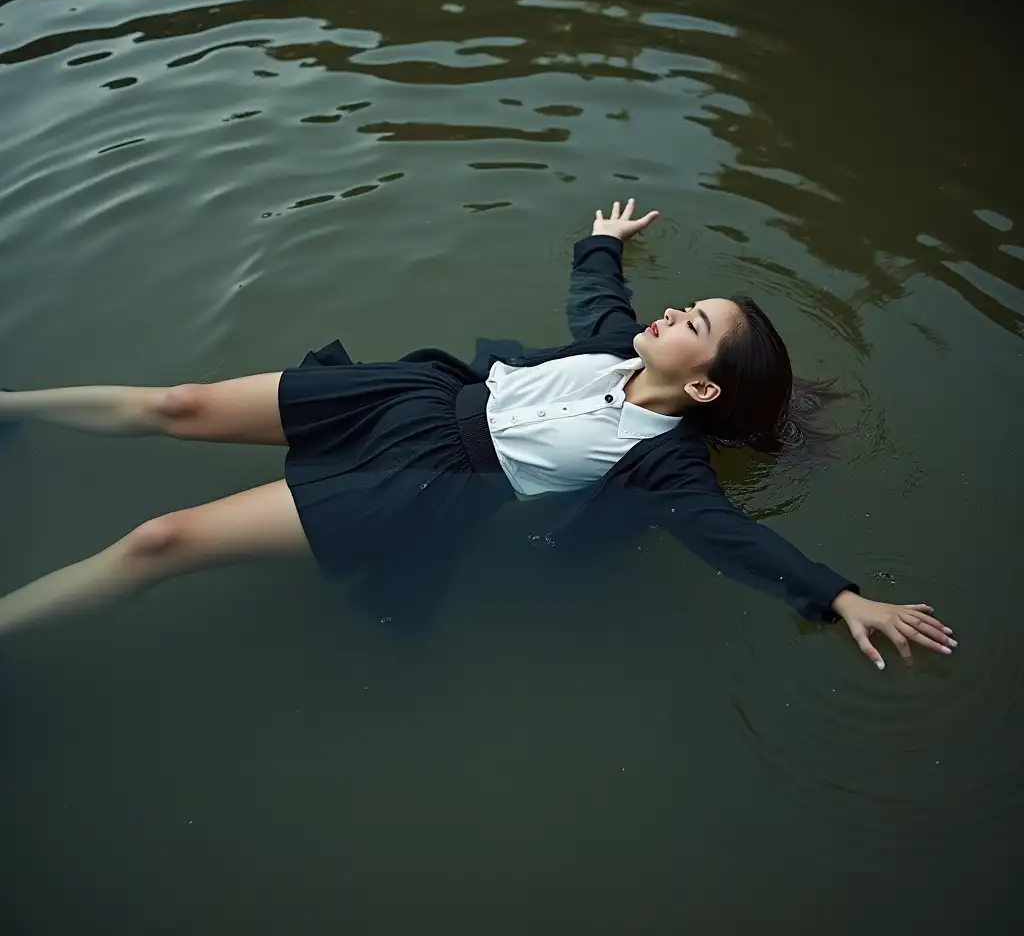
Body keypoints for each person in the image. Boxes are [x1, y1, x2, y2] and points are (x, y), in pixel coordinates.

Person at [0, 199, 956, 669]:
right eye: (685, 304)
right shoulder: (613, 350)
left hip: (419, 480)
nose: (669, 315)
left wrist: (840, 600)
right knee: (182, 405)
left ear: (703, 387)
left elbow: (734, 536)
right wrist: (604, 243)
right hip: (409, 397)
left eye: (691, 324)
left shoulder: (661, 463)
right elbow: (601, 299)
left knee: (159, 540)